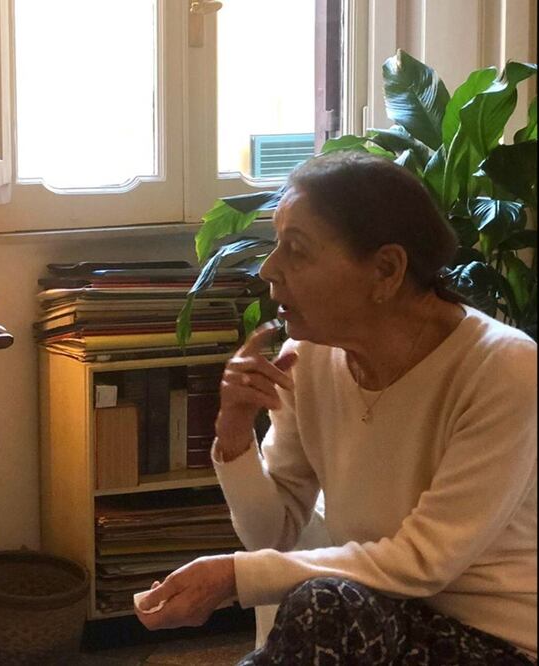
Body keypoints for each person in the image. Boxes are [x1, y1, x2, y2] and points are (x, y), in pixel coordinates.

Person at [135, 151, 537, 664]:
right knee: (326, 611)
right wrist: (234, 432)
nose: (268, 268)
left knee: (324, 605)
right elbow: (274, 533)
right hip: (371, 618)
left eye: (296, 250)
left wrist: (233, 576)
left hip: (494, 641)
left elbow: (423, 563)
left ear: (386, 269)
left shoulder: (503, 367)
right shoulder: (311, 358)